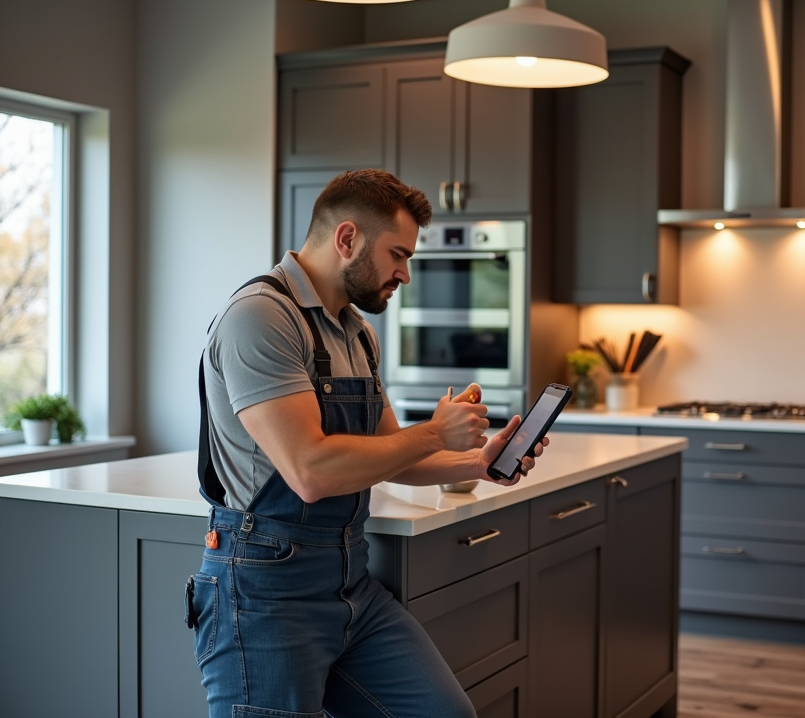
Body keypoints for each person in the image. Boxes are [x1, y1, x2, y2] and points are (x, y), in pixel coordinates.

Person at [187, 168, 547, 718]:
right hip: (263, 592)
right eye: (398, 254)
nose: (405, 274)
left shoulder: (356, 330)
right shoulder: (260, 318)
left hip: (350, 583)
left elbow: (386, 454)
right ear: (348, 238)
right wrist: (433, 431)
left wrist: (476, 459)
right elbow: (311, 472)